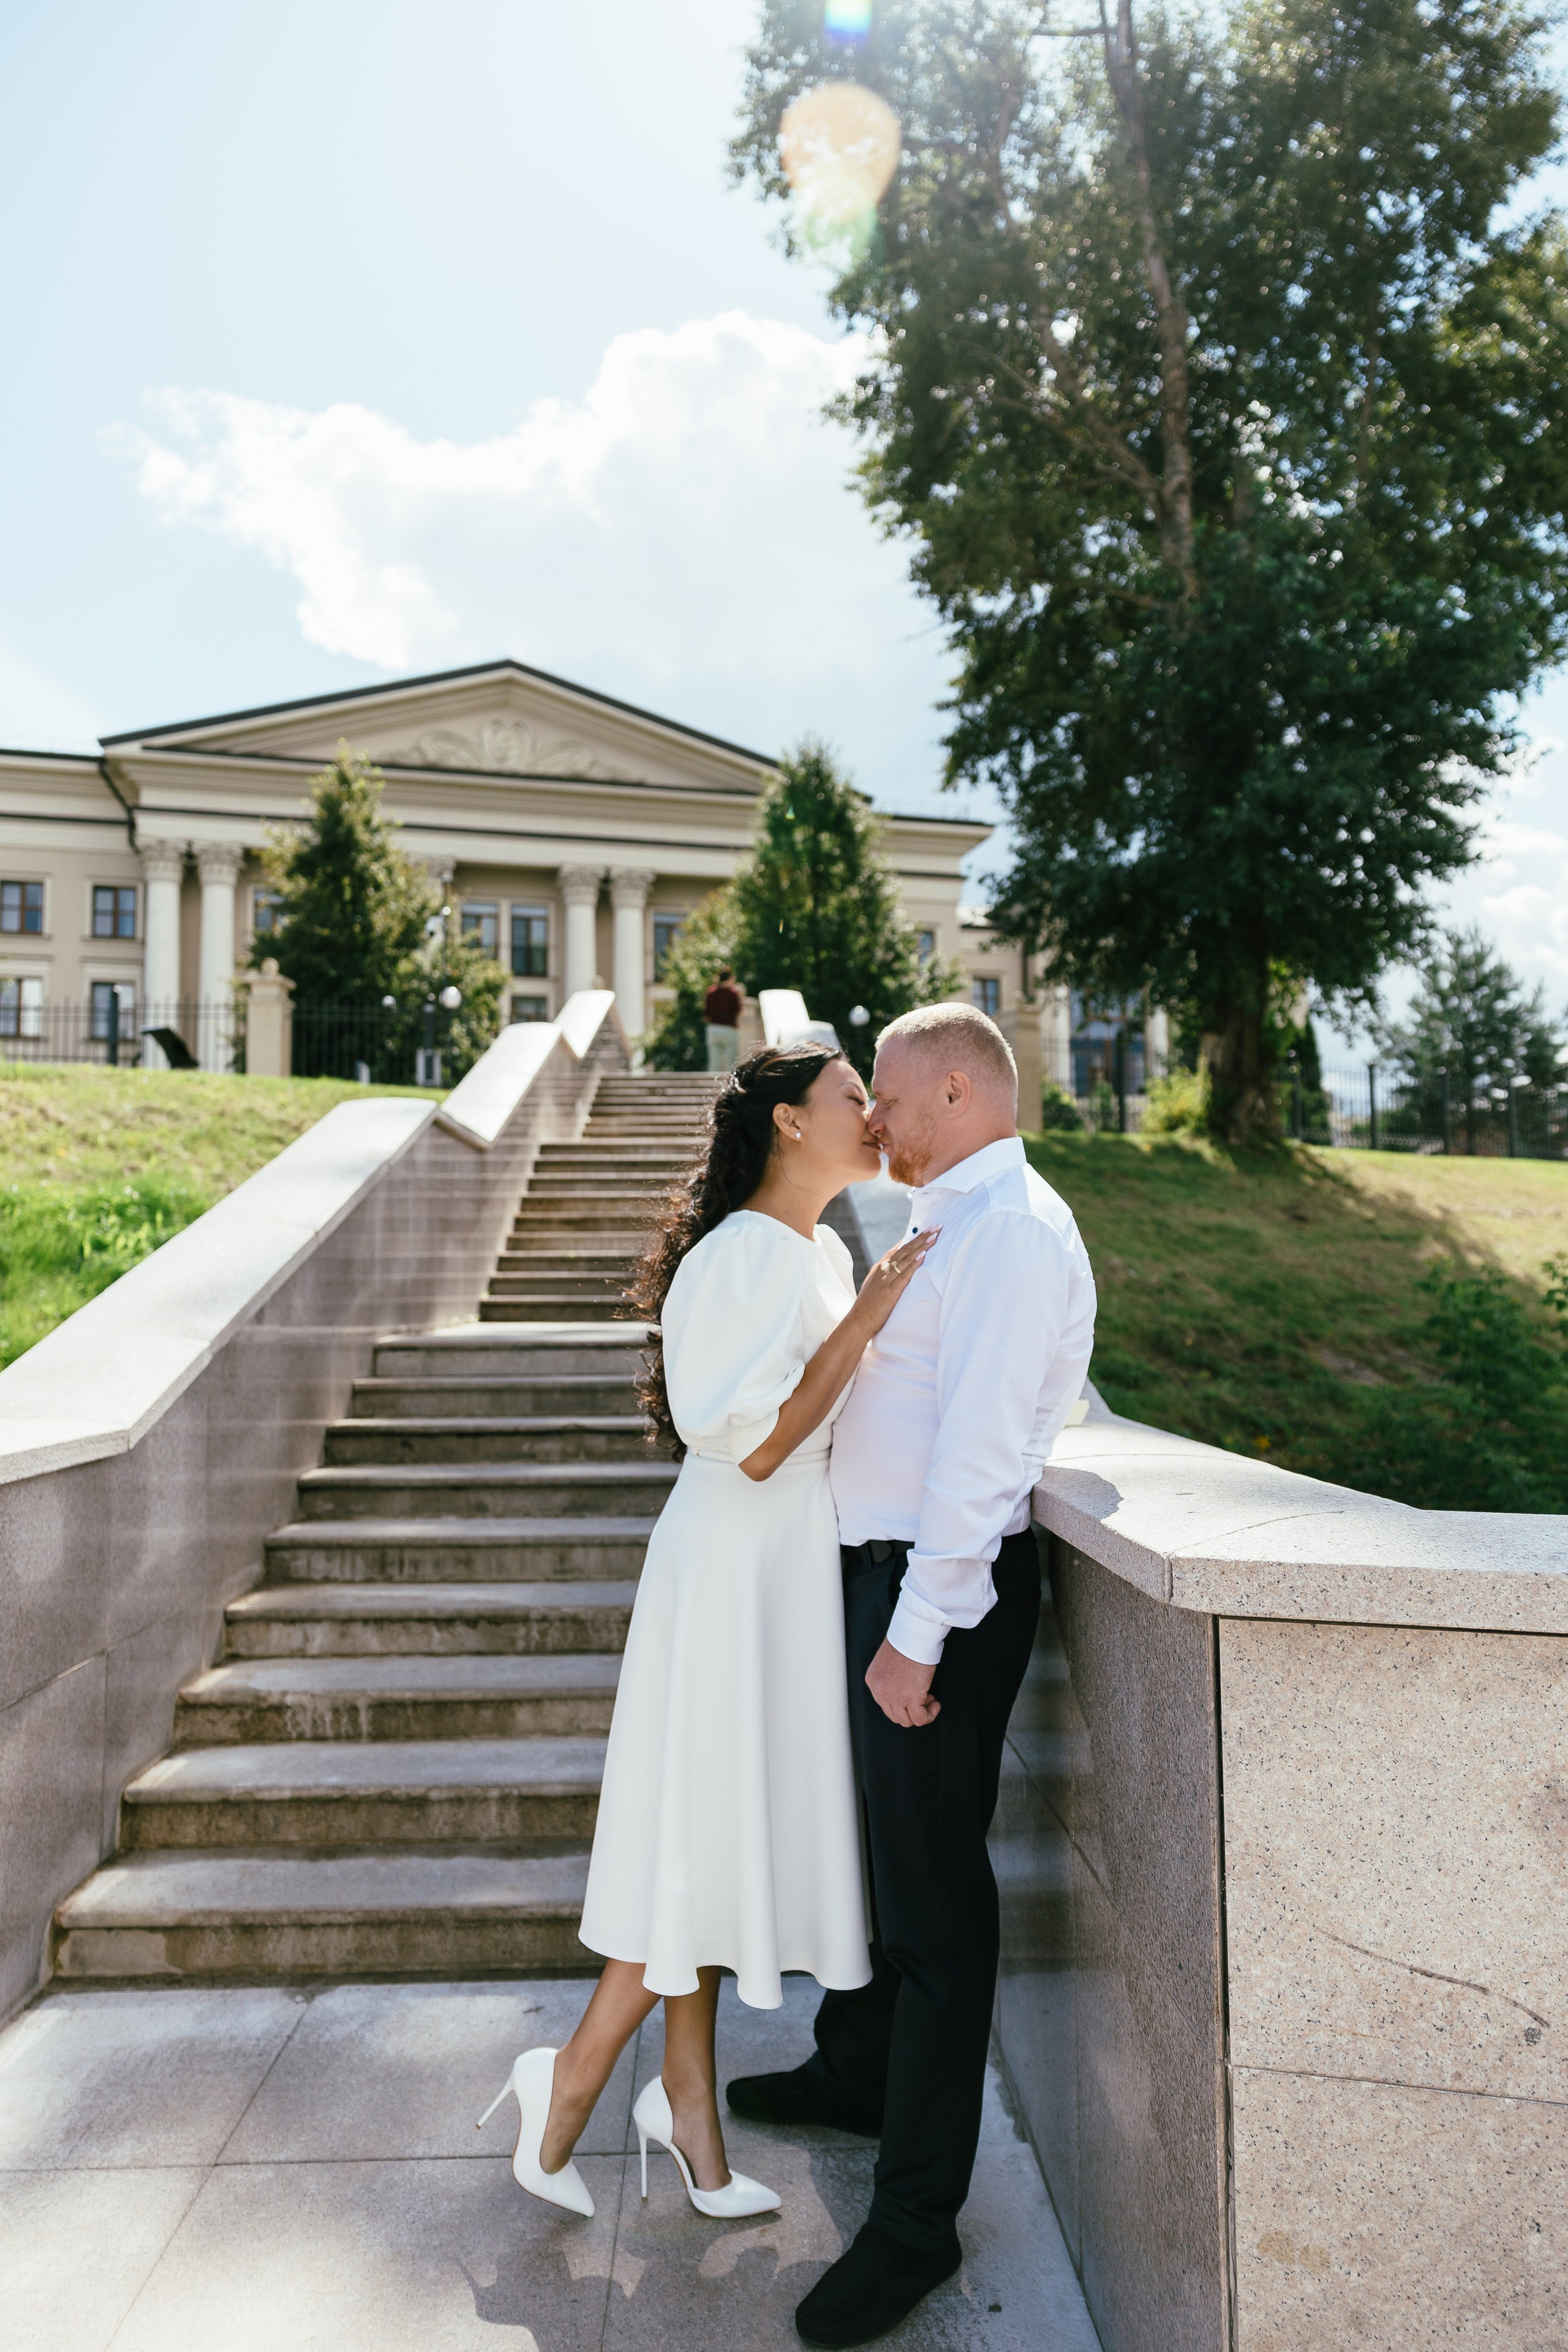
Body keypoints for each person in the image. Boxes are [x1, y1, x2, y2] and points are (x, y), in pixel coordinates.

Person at [478, 1044, 939, 2225]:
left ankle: (687, 2104)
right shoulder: (742, 1255)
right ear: (791, 1123)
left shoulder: (823, 1252)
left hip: (785, 1572)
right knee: (693, 1834)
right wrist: (873, 1315)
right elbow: (758, 1443)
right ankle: (567, 2087)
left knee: (716, 1833)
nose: (874, 1113)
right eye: (853, 1097)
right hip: (731, 1566)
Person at [728, 1001, 1097, 2351]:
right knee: (881, 1867)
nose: (871, 1118)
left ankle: (913, 2219)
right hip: (875, 1580)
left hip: (932, 1599)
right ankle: (856, 2069)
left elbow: (987, 1458)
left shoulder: (1010, 1232)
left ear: (953, 1088)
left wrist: (915, 1633)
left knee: (935, 1906)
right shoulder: (947, 1217)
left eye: (884, 1095)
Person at [703, 966, 744, 1072]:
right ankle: (730, 1086)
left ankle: (712, 1085)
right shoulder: (733, 993)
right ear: (730, 978)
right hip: (729, 1028)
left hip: (714, 1028)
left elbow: (707, 1014)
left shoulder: (711, 992)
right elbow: (739, 1012)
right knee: (731, 1062)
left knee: (714, 1062)